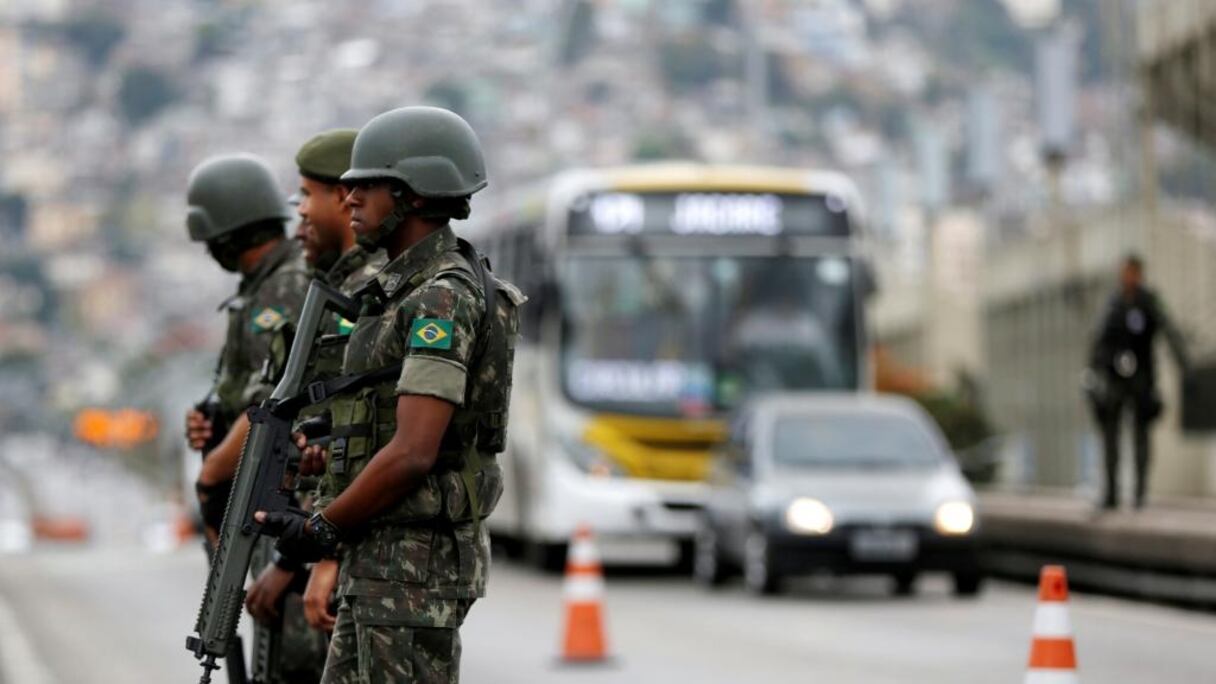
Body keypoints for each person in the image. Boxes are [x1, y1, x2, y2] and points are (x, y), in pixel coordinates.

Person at [257, 106, 525, 683]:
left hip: (410, 568)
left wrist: (322, 527)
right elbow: (385, 415)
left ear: (413, 196)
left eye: (365, 186)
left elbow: (414, 451)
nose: (348, 199)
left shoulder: (440, 299)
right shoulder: (403, 290)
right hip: (384, 558)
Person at [243, 129, 390, 680]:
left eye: (307, 195)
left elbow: (372, 436)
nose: (300, 213)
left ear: (341, 194)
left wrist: (315, 555)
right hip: (313, 525)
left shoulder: (371, 292)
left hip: (336, 533)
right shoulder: (331, 286)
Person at [1086, 254, 1189, 510]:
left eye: (1132, 272)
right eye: (1125, 272)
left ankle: (1139, 494)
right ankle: (1111, 493)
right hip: (1114, 378)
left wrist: (1184, 365)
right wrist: (1092, 372)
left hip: (1141, 377)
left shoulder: (1150, 301)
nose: (1128, 277)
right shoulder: (1112, 304)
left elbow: (1169, 330)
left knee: (1141, 435)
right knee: (1111, 434)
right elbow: (1099, 340)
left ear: (1139, 274)